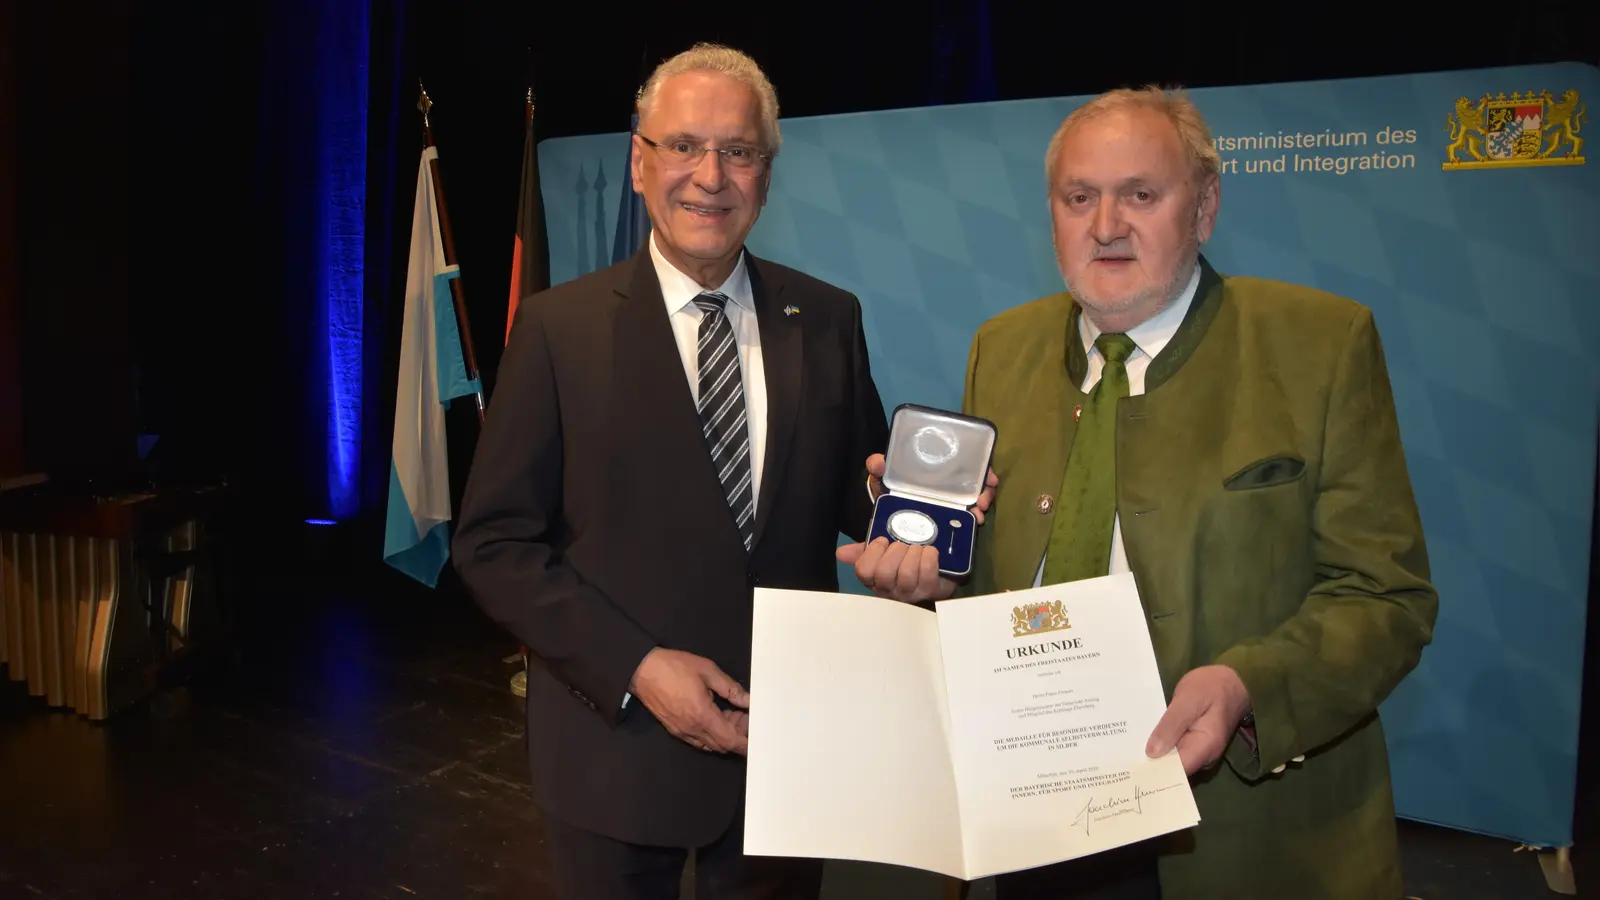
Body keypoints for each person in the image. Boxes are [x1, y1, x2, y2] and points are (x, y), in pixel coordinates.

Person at [843, 86, 1438, 899]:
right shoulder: (1003, 347)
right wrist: (936, 584)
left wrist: (1249, 686)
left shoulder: (1319, 345)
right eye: (1079, 197)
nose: (1106, 225)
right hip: (1035, 819)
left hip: (1242, 836)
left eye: (1141, 195)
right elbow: (998, 579)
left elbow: (1385, 596)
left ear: (1205, 207)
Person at [452, 43, 920, 900]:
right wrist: (635, 666)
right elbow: (494, 545)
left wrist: (925, 526)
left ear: (767, 175)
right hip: (614, 746)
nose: (711, 176)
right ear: (640, 162)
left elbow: (861, 495)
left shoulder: (825, 318)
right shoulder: (558, 330)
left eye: (738, 151)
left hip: (783, 752)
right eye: (684, 146)